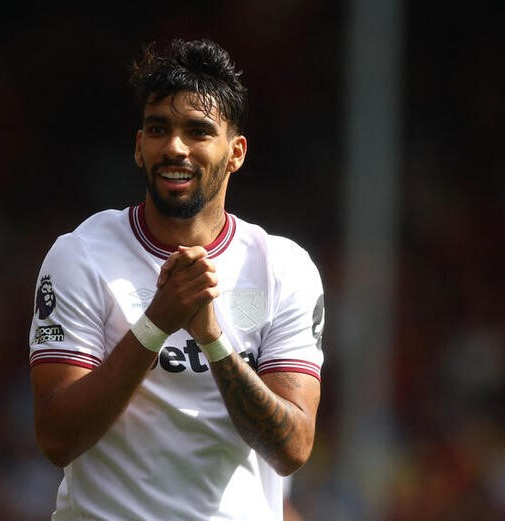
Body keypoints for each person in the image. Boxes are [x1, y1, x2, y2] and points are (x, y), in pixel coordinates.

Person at [29, 38, 325, 521]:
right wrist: (156, 324)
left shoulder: (283, 269)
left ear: (236, 152)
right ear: (139, 148)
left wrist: (211, 338)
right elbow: (57, 438)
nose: (174, 146)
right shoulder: (80, 255)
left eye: (198, 131)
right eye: (158, 129)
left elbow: (292, 447)